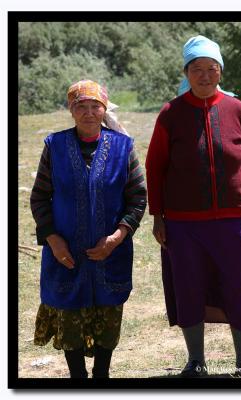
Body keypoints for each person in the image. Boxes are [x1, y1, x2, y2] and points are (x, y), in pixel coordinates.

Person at [145, 35, 241, 378]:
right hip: (183, 224)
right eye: (197, 69)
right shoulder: (170, 114)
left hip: (235, 221)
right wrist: (158, 215)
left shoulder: (238, 110)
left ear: (220, 72)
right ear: (186, 72)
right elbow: (155, 166)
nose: (205, 76)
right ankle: (196, 361)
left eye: (212, 69)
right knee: (188, 286)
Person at [30, 79, 147, 378]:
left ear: (104, 109)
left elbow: (137, 198)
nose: (88, 113)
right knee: (69, 317)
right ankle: (78, 379)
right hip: (65, 252)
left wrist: (117, 237)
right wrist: (53, 240)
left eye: (95, 106)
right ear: (71, 110)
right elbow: (40, 197)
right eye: (80, 106)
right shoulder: (54, 147)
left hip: (111, 254)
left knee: (108, 314)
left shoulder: (123, 148)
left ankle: (102, 377)